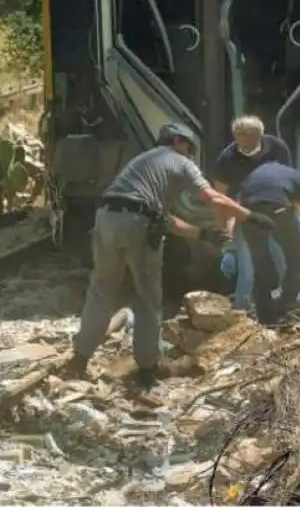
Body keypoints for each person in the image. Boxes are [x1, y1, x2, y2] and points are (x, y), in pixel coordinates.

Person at [67, 122, 274, 387]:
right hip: (137, 222)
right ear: (179, 141)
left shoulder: (141, 165)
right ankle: (147, 372)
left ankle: (79, 359)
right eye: (189, 148)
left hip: (106, 217)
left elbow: (162, 219)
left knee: (101, 288)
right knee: (148, 297)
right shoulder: (178, 160)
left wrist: (203, 234)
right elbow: (213, 198)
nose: (190, 155)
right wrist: (251, 217)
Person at [213, 115, 294, 308]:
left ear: (261, 135)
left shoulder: (277, 148)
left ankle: (288, 307)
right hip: (246, 214)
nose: (245, 140)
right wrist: (226, 243)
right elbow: (219, 199)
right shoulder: (227, 159)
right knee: (247, 272)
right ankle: (242, 313)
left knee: (286, 265)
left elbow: (290, 181)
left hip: (278, 211)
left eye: (250, 135)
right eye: (240, 135)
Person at [236, 161, 300, 325]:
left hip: (251, 215)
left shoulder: (251, 178)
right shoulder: (299, 178)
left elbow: (236, 209)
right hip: (280, 212)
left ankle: (266, 320)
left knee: (262, 268)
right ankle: (284, 308)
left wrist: (230, 246)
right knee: (296, 262)